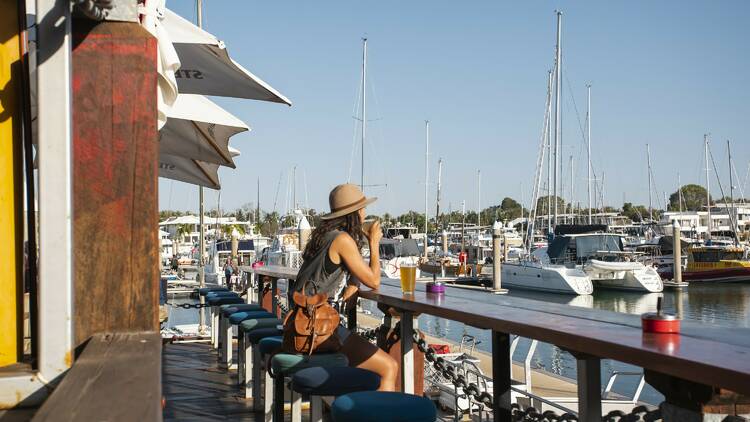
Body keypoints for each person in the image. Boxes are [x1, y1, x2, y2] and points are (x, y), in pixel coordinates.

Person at [291, 183, 397, 391]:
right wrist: (374, 242)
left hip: (300, 322)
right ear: (356, 213)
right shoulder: (342, 240)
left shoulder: (325, 236)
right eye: (363, 209)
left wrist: (353, 282)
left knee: (365, 364)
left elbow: (352, 271)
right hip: (316, 329)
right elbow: (374, 281)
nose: (366, 213)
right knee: (389, 367)